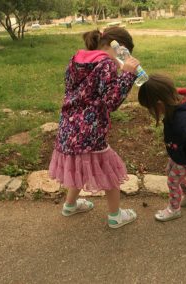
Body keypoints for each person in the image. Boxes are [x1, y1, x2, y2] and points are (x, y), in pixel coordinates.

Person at [49, 27, 140, 229]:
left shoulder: (78, 59)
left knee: (79, 165)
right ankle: (116, 216)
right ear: (118, 47)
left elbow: (78, 88)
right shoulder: (106, 64)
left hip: (68, 128)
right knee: (109, 171)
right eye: (125, 53)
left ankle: (70, 205)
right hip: (90, 131)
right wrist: (127, 75)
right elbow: (111, 101)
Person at [138, 74, 186, 222]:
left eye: (152, 108)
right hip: (178, 152)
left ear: (160, 103)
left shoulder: (185, 120)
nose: (152, 112)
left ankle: (174, 209)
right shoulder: (176, 108)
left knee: (172, 181)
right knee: (169, 172)